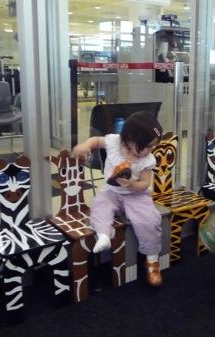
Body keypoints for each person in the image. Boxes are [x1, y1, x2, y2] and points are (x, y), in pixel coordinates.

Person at [72, 111, 164, 287]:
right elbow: (96, 141)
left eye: (153, 146)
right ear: (129, 139)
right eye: (146, 146)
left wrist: (131, 184)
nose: (149, 150)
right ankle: (104, 236)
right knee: (99, 207)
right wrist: (85, 145)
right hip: (111, 191)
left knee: (150, 220)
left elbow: (145, 183)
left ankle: (152, 260)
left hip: (136, 195)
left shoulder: (147, 159)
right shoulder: (114, 141)